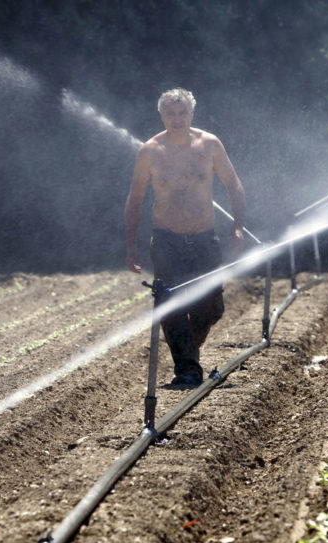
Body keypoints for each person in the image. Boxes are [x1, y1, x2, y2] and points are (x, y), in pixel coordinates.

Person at [124, 88, 246, 386]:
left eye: (182, 113)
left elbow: (233, 184)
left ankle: (188, 348)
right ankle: (187, 371)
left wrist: (238, 226)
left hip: (204, 239)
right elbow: (135, 199)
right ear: (162, 116)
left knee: (211, 308)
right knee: (171, 307)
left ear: (191, 114)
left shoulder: (210, 144)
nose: (177, 119)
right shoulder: (150, 151)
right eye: (170, 114)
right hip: (166, 241)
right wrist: (131, 245)